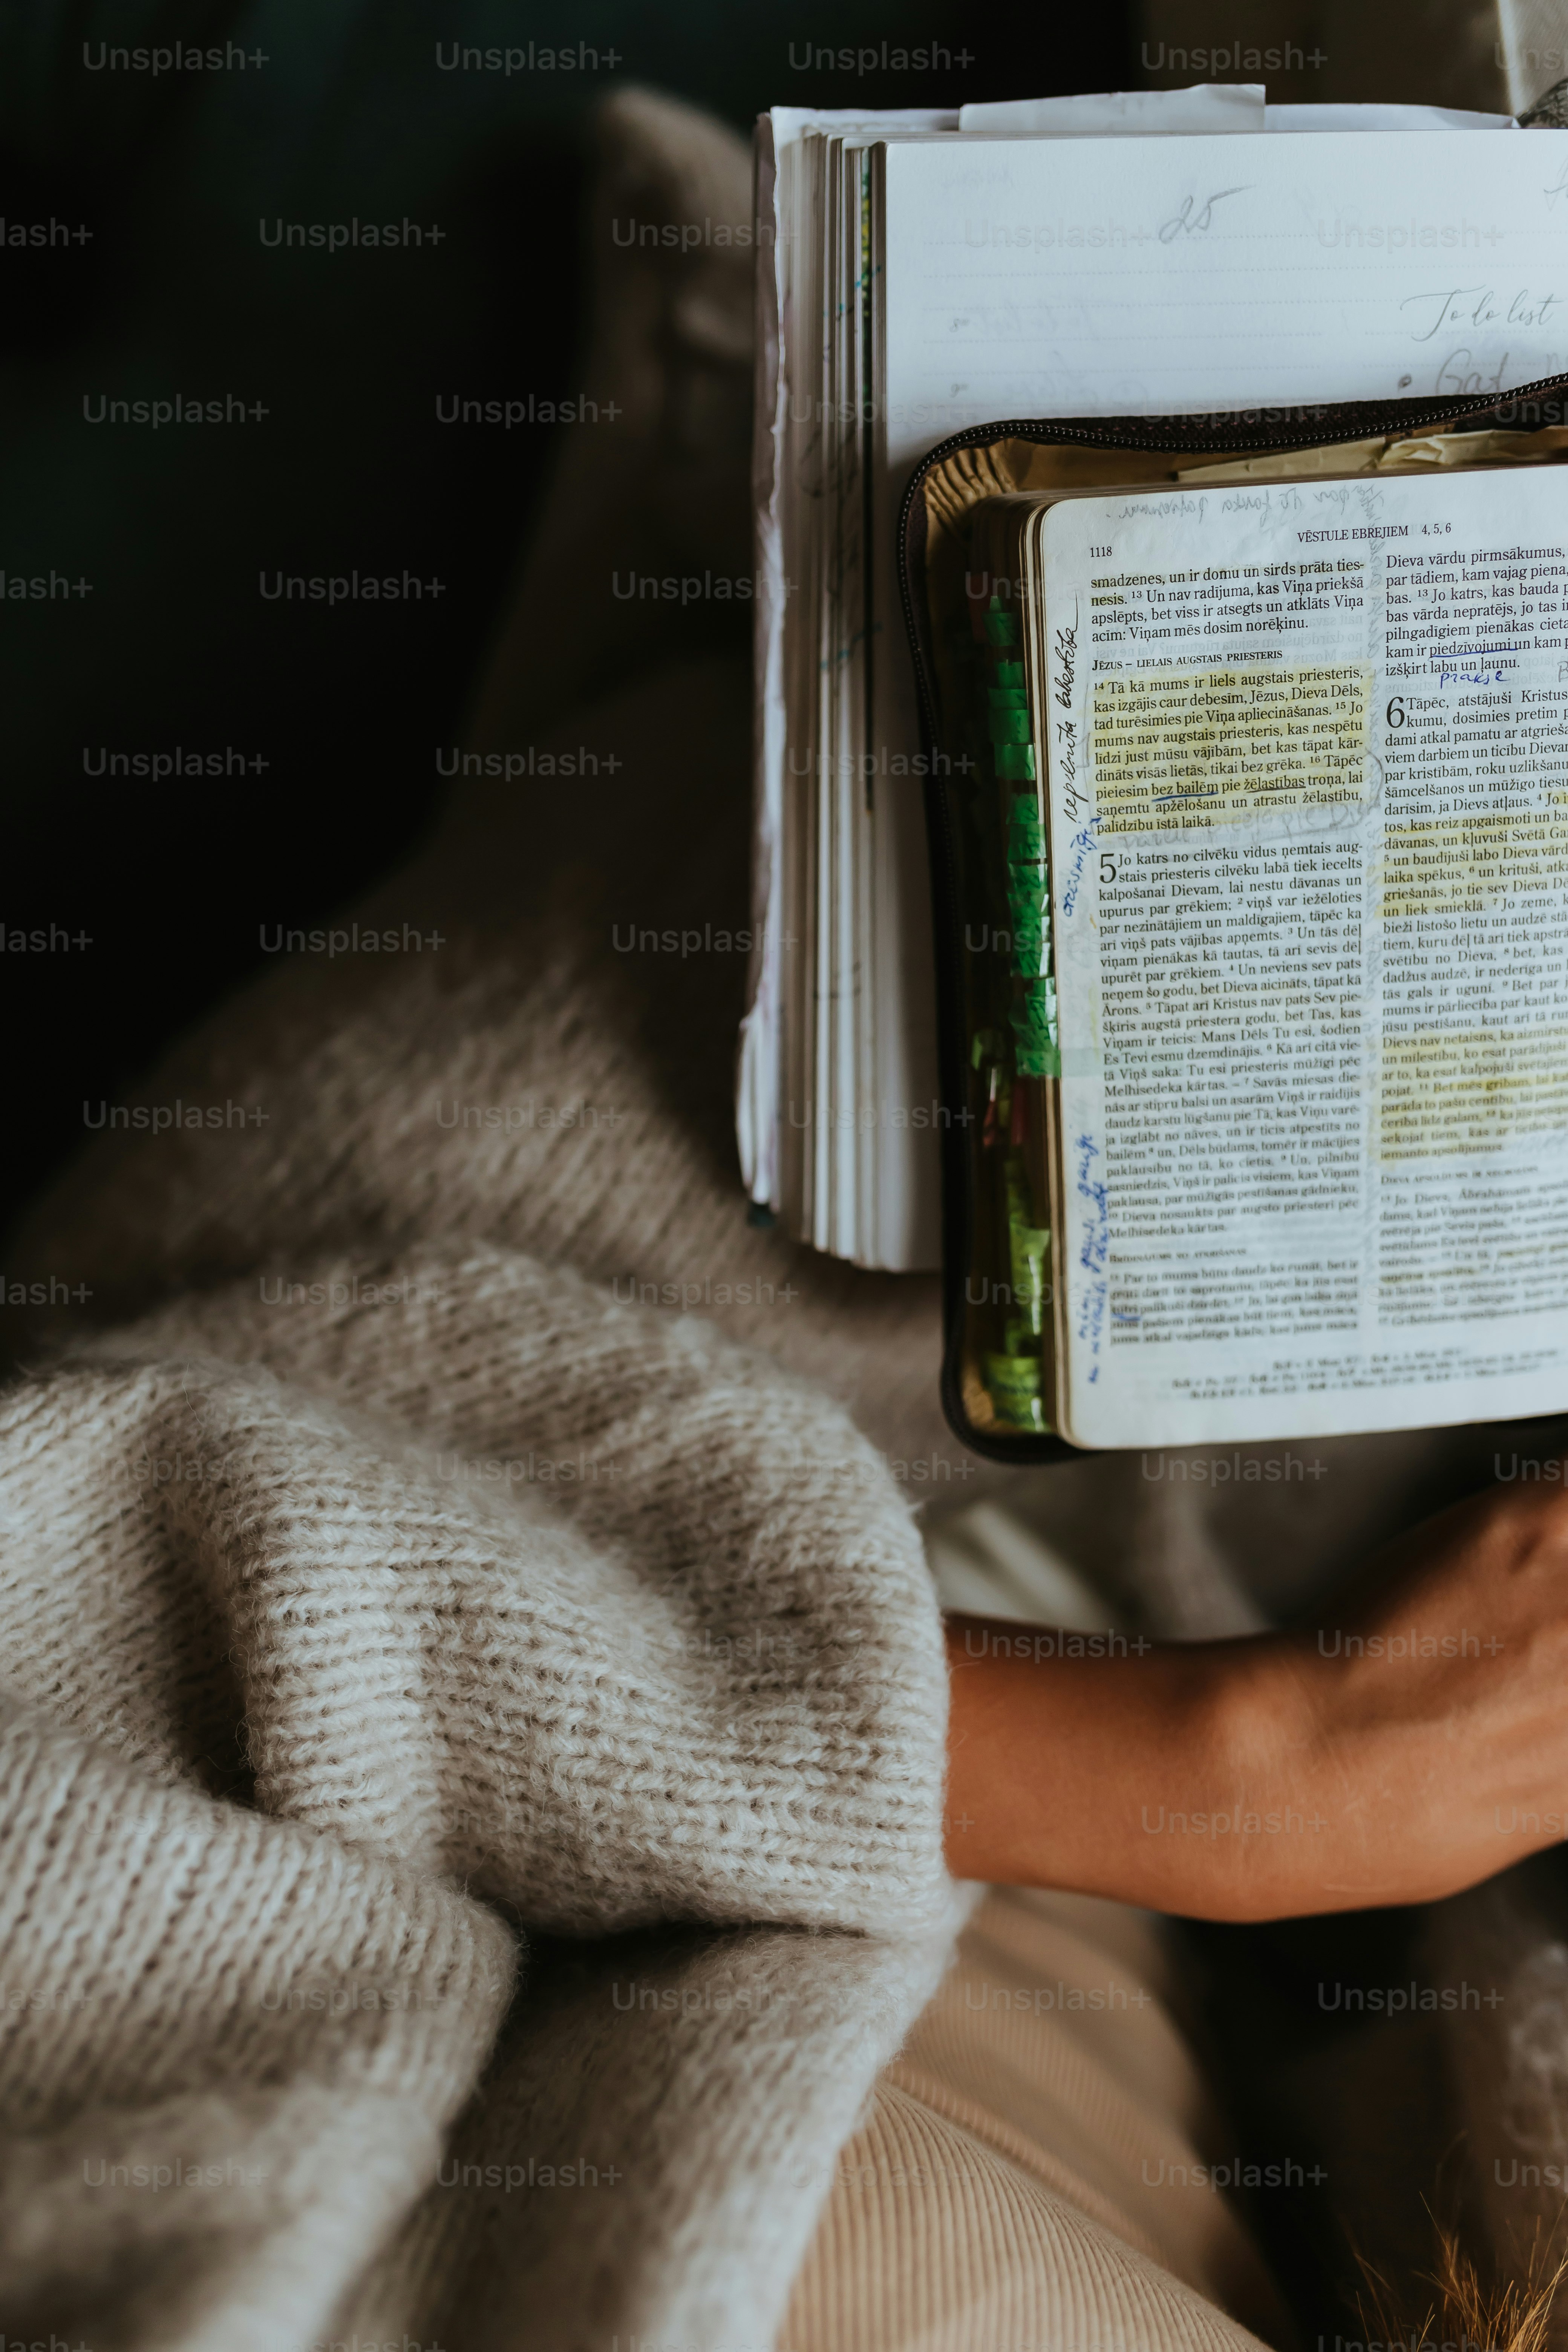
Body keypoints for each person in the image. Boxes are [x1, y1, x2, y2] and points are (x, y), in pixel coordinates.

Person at [5, 84, 1567, 2352]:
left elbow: (96, 1606)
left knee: (797, 966)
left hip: (573, 1477)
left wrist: (1225, 1778)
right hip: (1140, 1697)